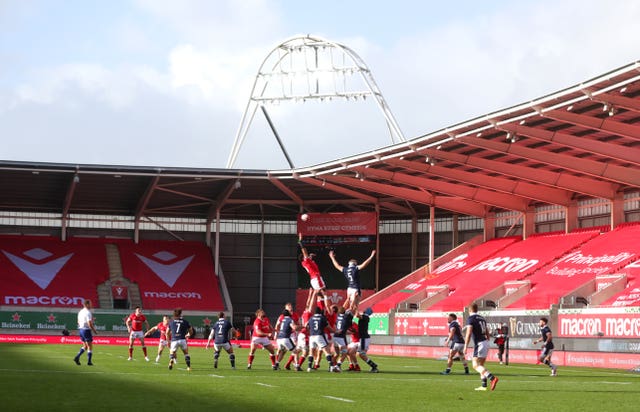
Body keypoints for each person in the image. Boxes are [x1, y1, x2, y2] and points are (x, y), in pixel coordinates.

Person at [463, 303, 498, 391]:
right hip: (485, 342)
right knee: (481, 365)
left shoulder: (471, 319)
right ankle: (484, 386)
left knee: (475, 365)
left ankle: (492, 378)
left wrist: (465, 346)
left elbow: (469, 333)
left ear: (469, 310)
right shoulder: (482, 318)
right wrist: (488, 340)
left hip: (479, 343)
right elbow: (487, 331)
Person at [298, 233, 327, 310]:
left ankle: (320, 310)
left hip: (314, 278)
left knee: (321, 295)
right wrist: (301, 241)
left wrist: (310, 256)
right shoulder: (306, 261)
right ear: (304, 258)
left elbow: (308, 258)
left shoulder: (306, 262)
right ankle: (322, 309)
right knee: (324, 293)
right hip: (316, 277)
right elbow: (304, 252)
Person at [307, 306, 335, 372]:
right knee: (326, 351)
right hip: (321, 335)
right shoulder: (323, 318)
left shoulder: (311, 318)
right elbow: (329, 327)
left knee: (311, 351)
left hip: (312, 336)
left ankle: (309, 367)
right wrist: (335, 331)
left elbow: (307, 326)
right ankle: (331, 366)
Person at [73, 299, 98, 366]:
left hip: (81, 329)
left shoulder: (80, 311)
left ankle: (77, 357)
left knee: (85, 346)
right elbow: (89, 323)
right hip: (86, 330)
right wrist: (94, 330)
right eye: (90, 304)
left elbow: (78, 321)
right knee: (90, 346)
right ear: (87, 304)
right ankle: (89, 362)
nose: (91, 305)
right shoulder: (88, 312)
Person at [354, 307, 379, 373]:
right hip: (364, 338)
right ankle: (373, 366)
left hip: (364, 338)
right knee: (360, 354)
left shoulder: (365, 317)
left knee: (361, 354)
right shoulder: (366, 317)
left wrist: (356, 307)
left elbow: (357, 315)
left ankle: (374, 366)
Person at [333, 306, 354, 371]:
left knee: (336, 353)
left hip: (335, 336)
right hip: (340, 337)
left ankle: (331, 366)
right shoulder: (346, 318)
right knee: (344, 353)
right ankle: (337, 366)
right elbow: (350, 325)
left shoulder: (337, 316)